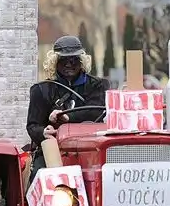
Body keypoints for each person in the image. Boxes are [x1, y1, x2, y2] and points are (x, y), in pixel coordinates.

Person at [26, 36, 109, 183]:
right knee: (40, 177)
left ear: (82, 61)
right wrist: (44, 133)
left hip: (92, 149)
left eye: (74, 59)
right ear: (54, 62)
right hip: (54, 149)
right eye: (63, 60)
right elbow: (33, 126)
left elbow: (96, 111)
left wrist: (67, 118)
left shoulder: (98, 85)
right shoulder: (41, 90)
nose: (69, 64)